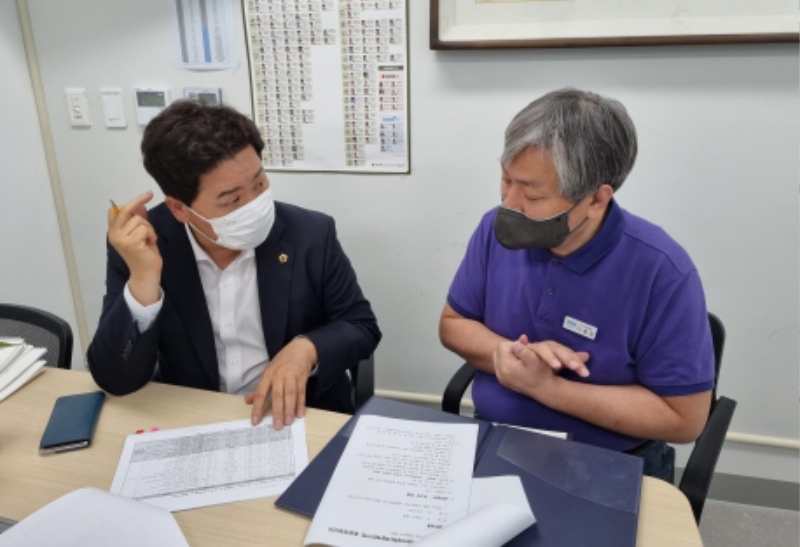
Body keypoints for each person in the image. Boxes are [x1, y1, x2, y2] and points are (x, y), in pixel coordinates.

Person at [439, 88, 714, 481]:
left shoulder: (662, 270)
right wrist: (505, 353)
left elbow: (683, 419)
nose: (509, 203)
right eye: (505, 180)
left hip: (606, 462)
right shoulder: (494, 230)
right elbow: (454, 323)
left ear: (597, 199)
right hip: (495, 439)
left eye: (532, 193)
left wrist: (546, 387)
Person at [88, 100, 380, 429]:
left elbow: (360, 325)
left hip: (296, 414)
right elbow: (115, 379)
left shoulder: (310, 234)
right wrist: (144, 280)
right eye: (233, 199)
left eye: (259, 183)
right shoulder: (144, 247)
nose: (255, 205)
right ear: (179, 209)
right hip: (192, 419)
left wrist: (307, 349)